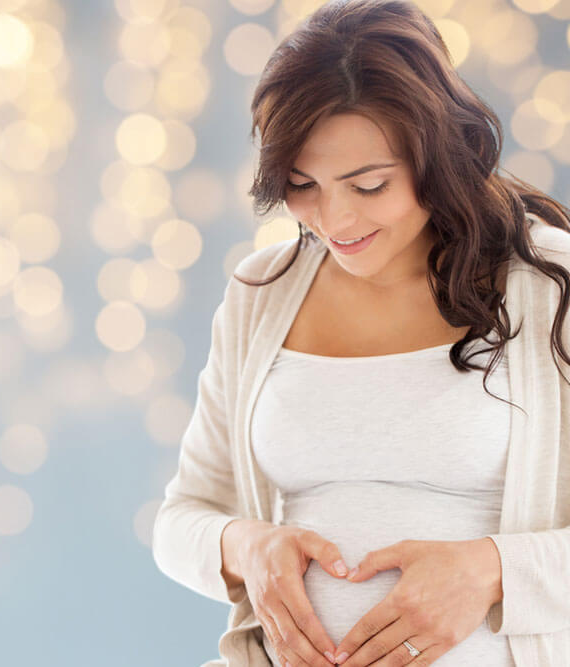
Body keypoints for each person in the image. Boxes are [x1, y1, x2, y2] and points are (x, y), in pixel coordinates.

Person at [150, 1, 570, 666]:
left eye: (368, 184)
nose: (335, 218)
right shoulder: (263, 295)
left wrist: (493, 570)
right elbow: (179, 522)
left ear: (438, 157)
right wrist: (246, 548)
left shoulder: (550, 285)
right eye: (302, 184)